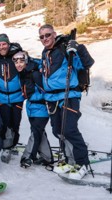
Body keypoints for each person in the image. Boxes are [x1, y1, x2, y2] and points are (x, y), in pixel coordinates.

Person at [38, 24, 94, 179]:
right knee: (58, 131)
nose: (45, 39)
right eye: (41, 36)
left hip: (69, 95)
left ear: (54, 34)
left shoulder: (65, 49)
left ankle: (82, 163)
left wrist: (79, 48)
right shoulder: (45, 53)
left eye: (48, 35)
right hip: (51, 98)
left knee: (69, 129)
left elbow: (87, 63)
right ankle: (70, 160)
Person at [0, 33, 24, 163]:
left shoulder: (16, 57)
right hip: (2, 97)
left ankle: (13, 143)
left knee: (16, 122)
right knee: (5, 122)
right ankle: (6, 146)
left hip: (17, 96)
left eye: (4, 44)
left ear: (8, 44)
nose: (2, 47)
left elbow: (30, 66)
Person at [13, 51, 53, 168]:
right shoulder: (24, 73)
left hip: (41, 107)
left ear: (26, 61)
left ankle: (28, 157)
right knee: (39, 132)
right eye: (16, 63)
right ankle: (47, 157)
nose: (19, 65)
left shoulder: (35, 74)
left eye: (21, 62)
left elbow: (47, 90)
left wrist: (39, 100)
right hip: (31, 107)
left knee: (36, 132)